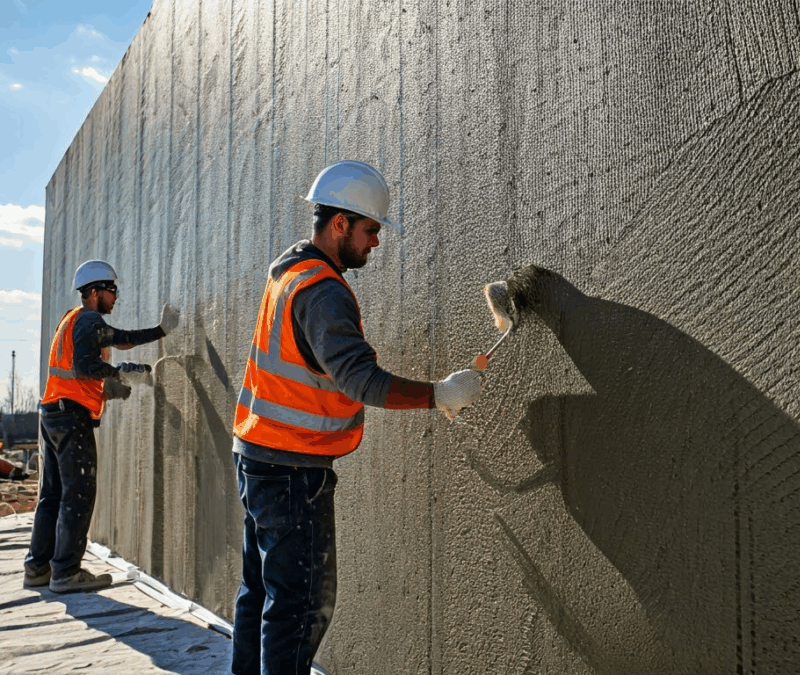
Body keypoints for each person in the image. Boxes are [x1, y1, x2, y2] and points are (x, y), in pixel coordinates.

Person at [230, 160, 484, 675]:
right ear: (340, 223)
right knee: (301, 605)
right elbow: (361, 380)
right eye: (370, 230)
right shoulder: (323, 291)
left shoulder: (290, 270)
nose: (376, 241)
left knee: (261, 593)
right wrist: (439, 394)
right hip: (290, 470)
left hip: (258, 456)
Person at [24, 260, 180, 593]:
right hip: (70, 418)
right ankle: (66, 572)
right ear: (95, 292)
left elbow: (107, 348)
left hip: (52, 414)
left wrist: (107, 387)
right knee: (78, 494)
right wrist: (125, 366)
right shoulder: (89, 320)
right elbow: (87, 365)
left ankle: (37, 568)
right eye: (112, 290)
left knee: (52, 495)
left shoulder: (74, 320)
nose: (116, 296)